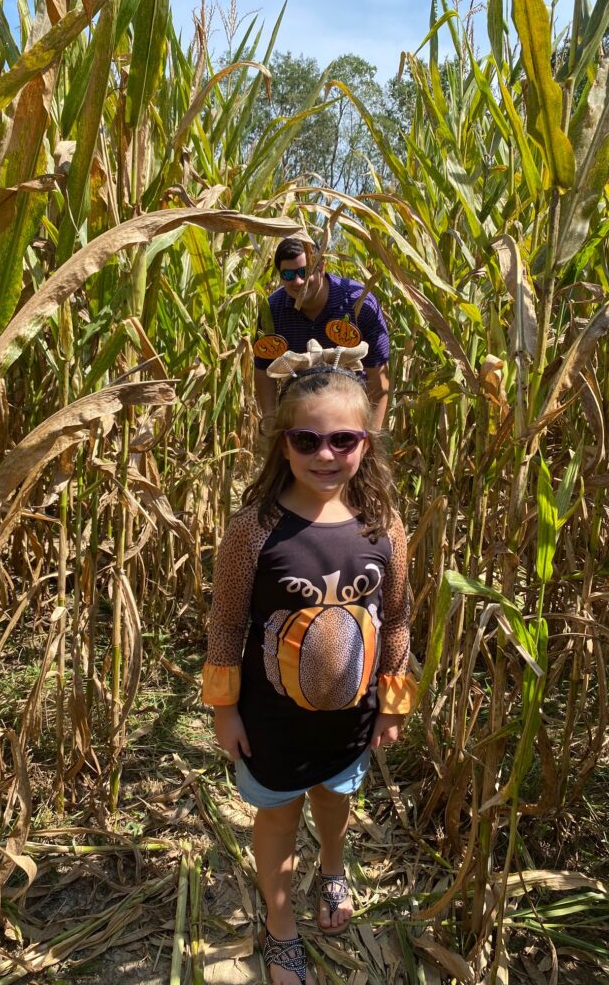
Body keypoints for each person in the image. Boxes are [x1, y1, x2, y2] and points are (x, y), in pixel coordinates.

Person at [203, 343, 417, 984]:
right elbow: (227, 625)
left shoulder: (383, 527)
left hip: (350, 720)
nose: (326, 455)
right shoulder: (254, 529)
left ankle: (331, 868)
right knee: (279, 813)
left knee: (334, 796)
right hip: (272, 721)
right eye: (307, 440)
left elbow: (399, 616)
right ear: (284, 444)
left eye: (344, 441)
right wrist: (224, 709)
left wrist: (393, 701)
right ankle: (280, 929)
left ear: (366, 445)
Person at [254, 238, 392, 428]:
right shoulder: (272, 310)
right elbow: (263, 369)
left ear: (322, 266)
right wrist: (270, 422)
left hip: (351, 412)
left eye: (305, 271)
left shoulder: (360, 304)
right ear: (280, 276)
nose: (298, 281)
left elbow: (378, 376)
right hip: (299, 413)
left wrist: (372, 437)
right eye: (288, 274)